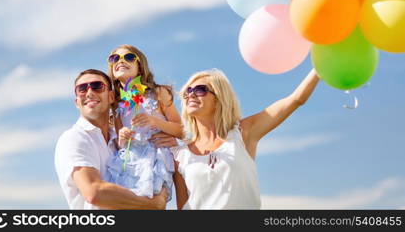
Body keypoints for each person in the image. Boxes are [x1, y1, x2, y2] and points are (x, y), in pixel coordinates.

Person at [172, 68, 320, 209]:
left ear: (219, 98)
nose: (191, 94)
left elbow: (296, 99)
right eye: (187, 91)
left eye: (200, 90)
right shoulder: (180, 156)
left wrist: (320, 66)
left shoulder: (243, 133)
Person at [54, 69, 168, 209]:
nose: (89, 92)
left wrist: (169, 142)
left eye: (97, 86)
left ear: (111, 97)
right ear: (77, 102)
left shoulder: (120, 140)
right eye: (82, 89)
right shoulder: (74, 137)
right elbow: (94, 192)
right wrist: (153, 203)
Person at [105, 45, 183, 202]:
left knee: (153, 201)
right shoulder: (117, 104)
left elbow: (181, 130)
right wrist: (122, 137)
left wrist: (155, 121)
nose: (121, 61)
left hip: (155, 159)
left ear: (140, 66)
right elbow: (121, 144)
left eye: (128, 57)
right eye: (115, 59)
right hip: (131, 162)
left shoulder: (158, 93)